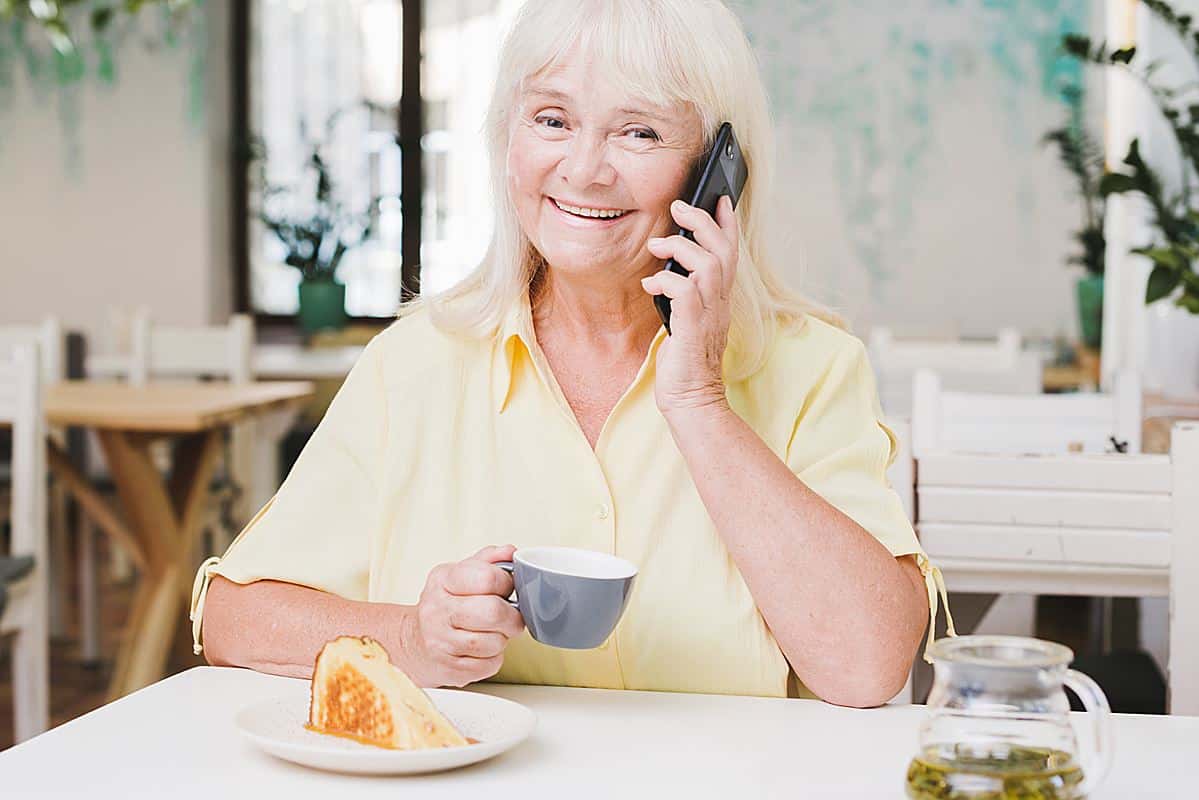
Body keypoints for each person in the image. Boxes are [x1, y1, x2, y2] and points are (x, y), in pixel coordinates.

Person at [192, 0, 951, 708]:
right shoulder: (415, 363)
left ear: (718, 172)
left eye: (640, 132)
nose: (584, 170)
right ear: (507, 139)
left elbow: (866, 665)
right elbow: (235, 618)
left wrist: (698, 403)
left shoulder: (811, 366)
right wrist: (409, 641)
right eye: (552, 120)